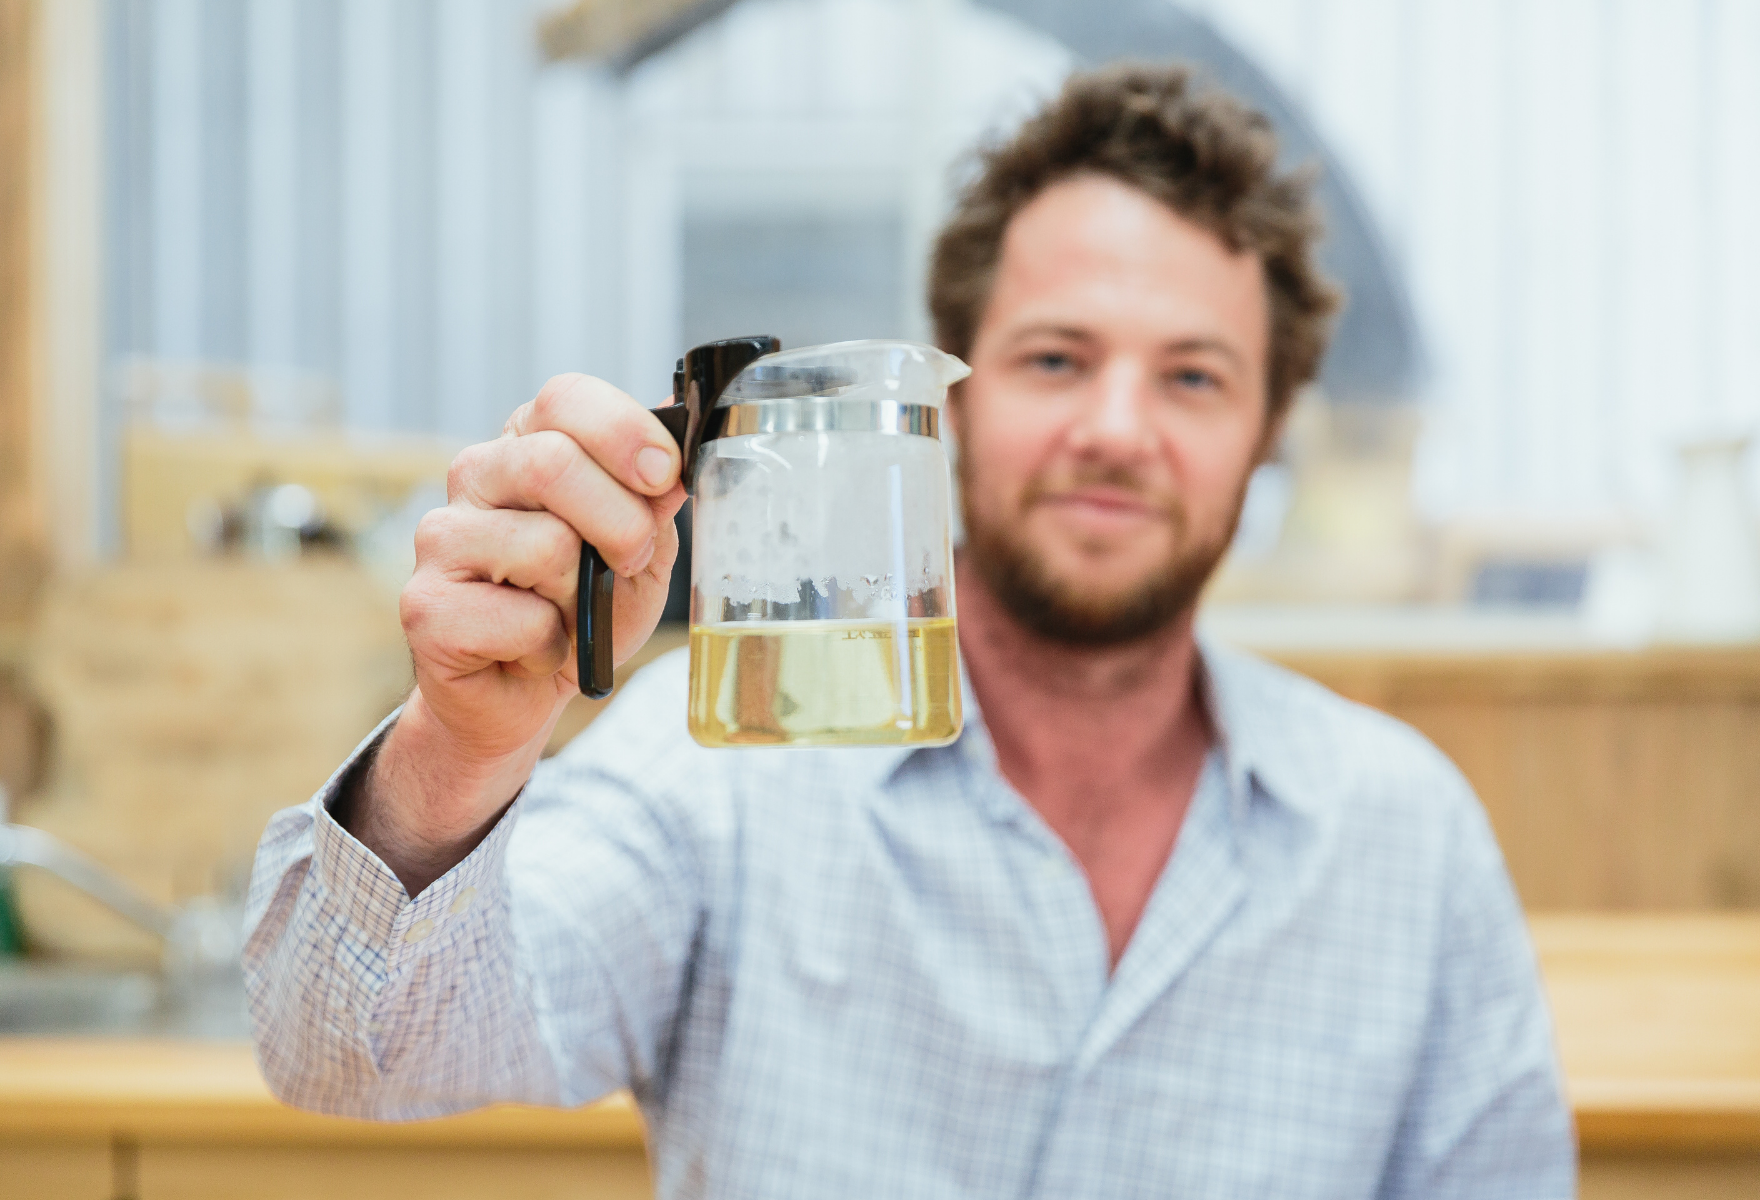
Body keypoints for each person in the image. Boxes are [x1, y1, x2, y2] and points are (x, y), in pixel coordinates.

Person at [245, 63, 1574, 1197]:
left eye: (1193, 375)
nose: (1116, 427)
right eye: (1057, 358)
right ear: (955, 392)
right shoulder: (724, 777)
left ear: (1268, 429)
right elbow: (344, 1052)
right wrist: (461, 743)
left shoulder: (1405, 836)